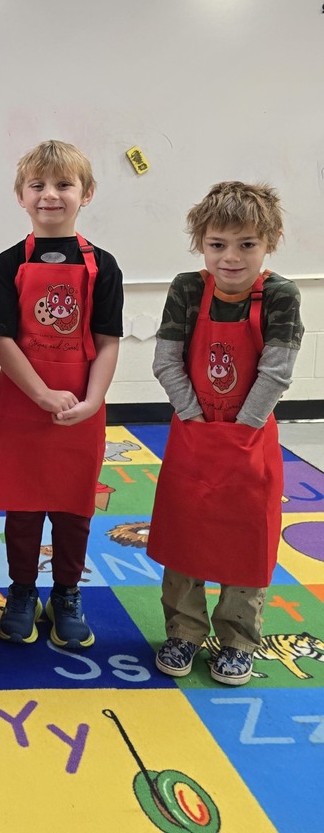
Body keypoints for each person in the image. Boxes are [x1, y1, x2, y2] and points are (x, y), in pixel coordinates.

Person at [147, 181, 303, 686]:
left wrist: (242, 429)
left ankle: (237, 639)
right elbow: (166, 361)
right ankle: (184, 631)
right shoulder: (187, 289)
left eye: (246, 245)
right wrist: (193, 418)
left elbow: (276, 372)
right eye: (218, 245)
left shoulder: (280, 296)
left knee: (247, 537)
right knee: (184, 532)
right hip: (192, 431)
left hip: (250, 435)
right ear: (201, 243)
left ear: (270, 241)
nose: (230, 258)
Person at [0, 141, 123, 650]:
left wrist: (91, 400)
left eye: (63, 185)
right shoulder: (7, 263)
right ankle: (22, 591)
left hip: (84, 404)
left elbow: (107, 341)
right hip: (24, 401)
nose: (50, 195)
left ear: (85, 193)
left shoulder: (103, 266)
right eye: (38, 186)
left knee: (73, 506)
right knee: (22, 507)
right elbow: (1, 338)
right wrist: (41, 393)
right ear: (21, 196)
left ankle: (66, 593)